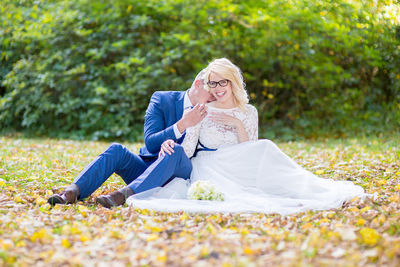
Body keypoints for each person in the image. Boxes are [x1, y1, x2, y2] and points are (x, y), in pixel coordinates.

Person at [126, 58, 365, 214]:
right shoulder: (203, 110)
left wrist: (236, 123)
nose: (218, 88)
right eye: (213, 83)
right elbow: (188, 150)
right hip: (212, 165)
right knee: (264, 152)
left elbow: (250, 148)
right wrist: (172, 145)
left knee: (266, 147)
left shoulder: (249, 112)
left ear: (233, 83)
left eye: (223, 82)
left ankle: (307, 188)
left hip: (243, 162)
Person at [47, 70, 215, 208]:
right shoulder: (162, 99)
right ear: (198, 84)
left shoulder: (214, 112)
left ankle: (122, 196)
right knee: (116, 150)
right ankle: (71, 192)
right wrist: (182, 124)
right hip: (146, 169)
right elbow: (150, 142)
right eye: (211, 92)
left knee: (175, 150)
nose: (214, 98)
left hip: (178, 174)